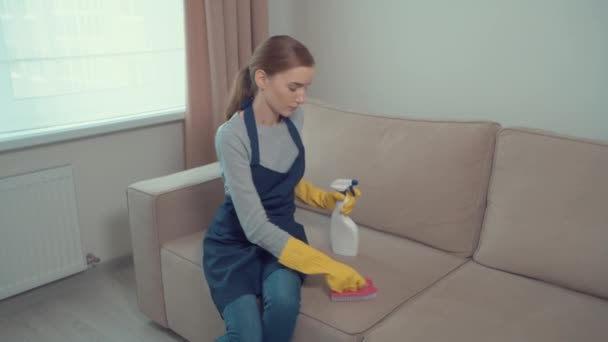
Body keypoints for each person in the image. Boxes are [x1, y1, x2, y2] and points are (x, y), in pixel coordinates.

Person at [202, 35, 366, 342]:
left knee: (284, 303)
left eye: (306, 87)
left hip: (283, 233)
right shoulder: (232, 136)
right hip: (236, 242)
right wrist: (328, 266)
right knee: (246, 336)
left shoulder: (294, 118)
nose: (302, 97)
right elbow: (254, 227)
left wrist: (325, 198)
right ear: (262, 79)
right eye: (294, 87)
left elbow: (282, 177)